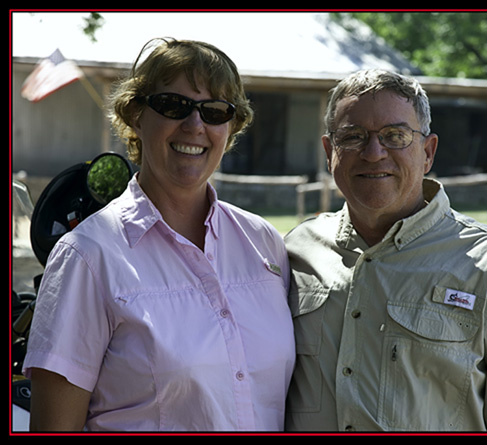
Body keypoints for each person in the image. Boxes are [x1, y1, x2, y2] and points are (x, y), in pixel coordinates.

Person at [23, 38, 295, 432]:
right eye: (173, 106)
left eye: (215, 111)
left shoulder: (264, 243)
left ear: (232, 127)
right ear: (136, 114)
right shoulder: (87, 256)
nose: (195, 126)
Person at [284, 69, 487, 432]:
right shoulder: (294, 252)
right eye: (353, 137)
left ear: (428, 152)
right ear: (329, 151)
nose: (373, 153)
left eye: (395, 136)